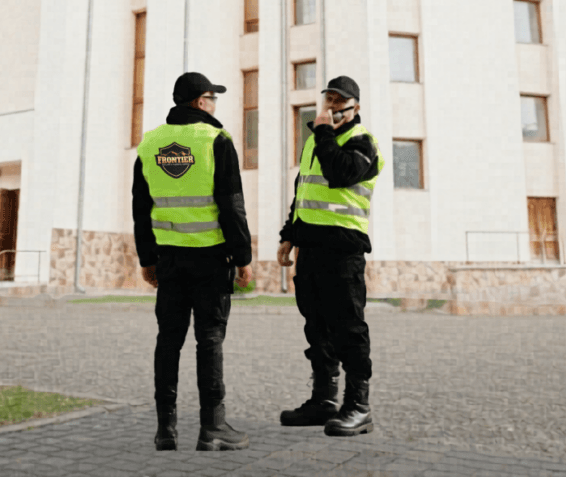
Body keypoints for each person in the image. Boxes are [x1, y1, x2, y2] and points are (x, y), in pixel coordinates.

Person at [133, 72, 255, 452]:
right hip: (211, 260)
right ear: (201, 102)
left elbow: (140, 208)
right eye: (212, 98)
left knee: (168, 341)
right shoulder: (215, 140)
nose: (215, 104)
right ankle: (212, 428)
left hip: (169, 260)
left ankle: (165, 430)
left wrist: (147, 258)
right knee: (210, 340)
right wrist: (244, 257)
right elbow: (232, 203)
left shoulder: (150, 143)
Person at [276, 75, 385, 437]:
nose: (333, 108)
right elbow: (303, 192)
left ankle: (358, 406)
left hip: (343, 252)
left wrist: (322, 133)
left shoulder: (363, 143)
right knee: (317, 329)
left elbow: (338, 173)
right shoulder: (315, 145)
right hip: (311, 251)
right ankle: (323, 400)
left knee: (348, 328)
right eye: (329, 101)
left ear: (356, 107)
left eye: (341, 102)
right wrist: (289, 236)